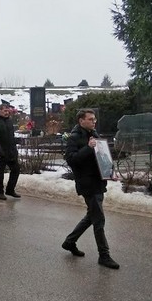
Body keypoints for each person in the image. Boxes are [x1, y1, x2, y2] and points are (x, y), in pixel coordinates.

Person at [62, 108, 119, 269]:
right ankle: (104, 255)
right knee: (98, 219)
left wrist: (110, 172)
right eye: (91, 119)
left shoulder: (94, 134)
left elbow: (103, 156)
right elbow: (72, 160)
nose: (94, 121)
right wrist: (88, 147)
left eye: (94, 119)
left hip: (98, 182)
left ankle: (69, 241)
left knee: (91, 216)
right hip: (87, 184)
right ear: (81, 121)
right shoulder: (74, 138)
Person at [0, 99, 21, 200]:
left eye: (8, 111)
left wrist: (16, 142)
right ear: (0, 111)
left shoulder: (9, 121)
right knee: (0, 173)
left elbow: (10, 136)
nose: (7, 113)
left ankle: (10, 189)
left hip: (11, 150)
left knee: (16, 169)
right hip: (1, 151)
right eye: (5, 111)